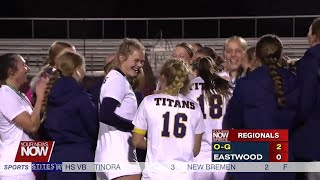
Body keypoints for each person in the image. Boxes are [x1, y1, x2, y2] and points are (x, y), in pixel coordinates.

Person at [223, 34, 299, 180]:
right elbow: (300, 117)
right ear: (280, 55)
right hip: (283, 158)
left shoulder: (246, 83)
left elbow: (232, 122)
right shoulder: (295, 81)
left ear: (256, 56)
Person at [132, 58, 205, 180]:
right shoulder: (195, 108)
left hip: (155, 175)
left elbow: (137, 141)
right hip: (184, 175)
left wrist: (158, 143)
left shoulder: (148, 102)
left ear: (162, 77)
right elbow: (195, 150)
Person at [41, 51, 98, 180]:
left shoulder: (49, 94)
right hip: (79, 158)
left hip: (55, 158)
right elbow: (92, 128)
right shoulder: (81, 97)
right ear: (78, 70)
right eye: (84, 67)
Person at [95, 38, 145, 180]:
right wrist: (136, 127)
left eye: (142, 62)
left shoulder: (115, 78)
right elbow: (105, 115)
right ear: (122, 58)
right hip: (120, 154)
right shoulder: (117, 79)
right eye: (136, 60)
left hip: (108, 152)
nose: (139, 65)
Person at [0, 53, 47, 180]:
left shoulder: (20, 95)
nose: (28, 69)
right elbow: (31, 126)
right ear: (11, 71)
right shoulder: (5, 94)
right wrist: (40, 96)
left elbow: (35, 123)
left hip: (25, 163)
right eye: (24, 65)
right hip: (14, 169)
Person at [187, 56, 231, 180]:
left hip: (198, 151)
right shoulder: (225, 88)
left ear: (194, 70)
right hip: (223, 148)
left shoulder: (187, 90)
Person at [292, 17, 320, 180]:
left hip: (311, 145)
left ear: (314, 36)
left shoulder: (309, 62)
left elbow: (304, 104)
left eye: (309, 32)